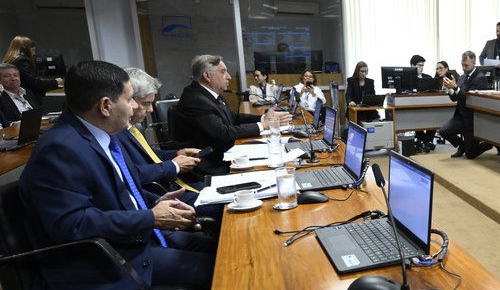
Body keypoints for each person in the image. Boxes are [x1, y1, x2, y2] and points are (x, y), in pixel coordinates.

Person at [19, 60, 215, 289]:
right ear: (105, 106)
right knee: (223, 268)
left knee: (224, 247)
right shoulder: (60, 149)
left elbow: (121, 189)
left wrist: (156, 203)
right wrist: (151, 217)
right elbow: (72, 223)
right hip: (107, 261)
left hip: (137, 239)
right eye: (130, 99)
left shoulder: (102, 136)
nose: (134, 107)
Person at [170, 55, 290, 175]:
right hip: (209, 167)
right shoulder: (195, 99)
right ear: (207, 76)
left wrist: (263, 118)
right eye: (223, 72)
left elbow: (233, 118)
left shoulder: (211, 95)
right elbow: (223, 133)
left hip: (224, 156)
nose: (229, 77)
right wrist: (263, 125)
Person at [440, 51, 493, 159]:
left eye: (466, 65)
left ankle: (489, 144)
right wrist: (449, 89)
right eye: (462, 65)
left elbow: (470, 99)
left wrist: (455, 87)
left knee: (470, 155)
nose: (463, 68)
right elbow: (455, 98)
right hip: (460, 116)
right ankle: (462, 145)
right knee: (443, 131)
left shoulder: (480, 78)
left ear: (474, 63)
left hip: (472, 119)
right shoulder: (462, 77)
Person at [3, 35, 63, 100]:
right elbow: (33, 82)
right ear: (25, 49)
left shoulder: (9, 60)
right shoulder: (21, 61)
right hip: (26, 97)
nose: (34, 54)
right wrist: (55, 82)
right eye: (33, 50)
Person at [411, 55, 435, 152]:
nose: (421, 68)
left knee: (434, 117)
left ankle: (426, 141)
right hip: (412, 107)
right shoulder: (406, 79)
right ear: (412, 66)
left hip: (427, 106)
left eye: (422, 66)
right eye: (419, 65)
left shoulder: (428, 78)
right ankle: (426, 142)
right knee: (414, 118)